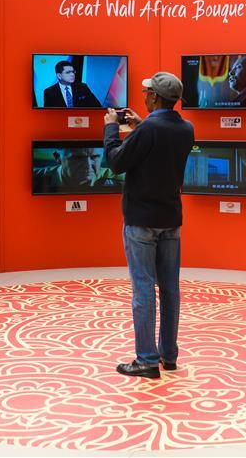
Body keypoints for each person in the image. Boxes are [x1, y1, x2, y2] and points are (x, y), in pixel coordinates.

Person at [103, 72, 195, 379]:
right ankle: (169, 356)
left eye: (147, 92)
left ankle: (145, 360)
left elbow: (116, 162)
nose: (143, 95)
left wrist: (110, 129)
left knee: (143, 290)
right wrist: (142, 125)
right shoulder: (185, 128)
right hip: (171, 220)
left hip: (141, 221)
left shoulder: (150, 130)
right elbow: (158, 142)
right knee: (170, 290)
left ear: (155, 97)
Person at [32, 147, 121, 192]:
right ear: (57, 157)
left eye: (95, 157)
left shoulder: (120, 178)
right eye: (77, 158)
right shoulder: (35, 178)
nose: (87, 165)